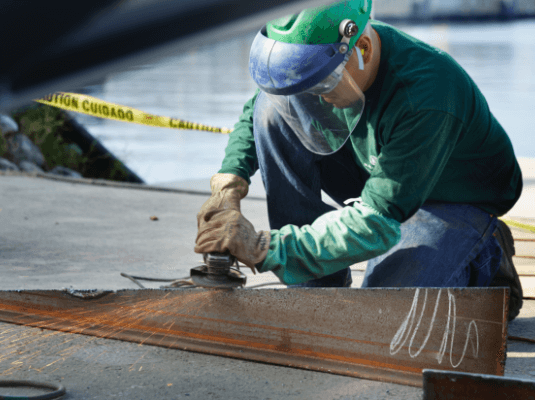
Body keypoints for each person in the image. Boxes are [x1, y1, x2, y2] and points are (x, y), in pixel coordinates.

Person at [194, 0, 524, 320]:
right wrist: (228, 184)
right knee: (274, 110)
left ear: (362, 49)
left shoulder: (428, 95)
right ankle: (314, 283)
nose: (310, 97)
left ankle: (486, 252)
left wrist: (263, 247)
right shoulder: (323, 51)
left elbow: (376, 220)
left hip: (448, 197)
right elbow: (259, 107)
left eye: (320, 82)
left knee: (387, 311)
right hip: (378, 173)